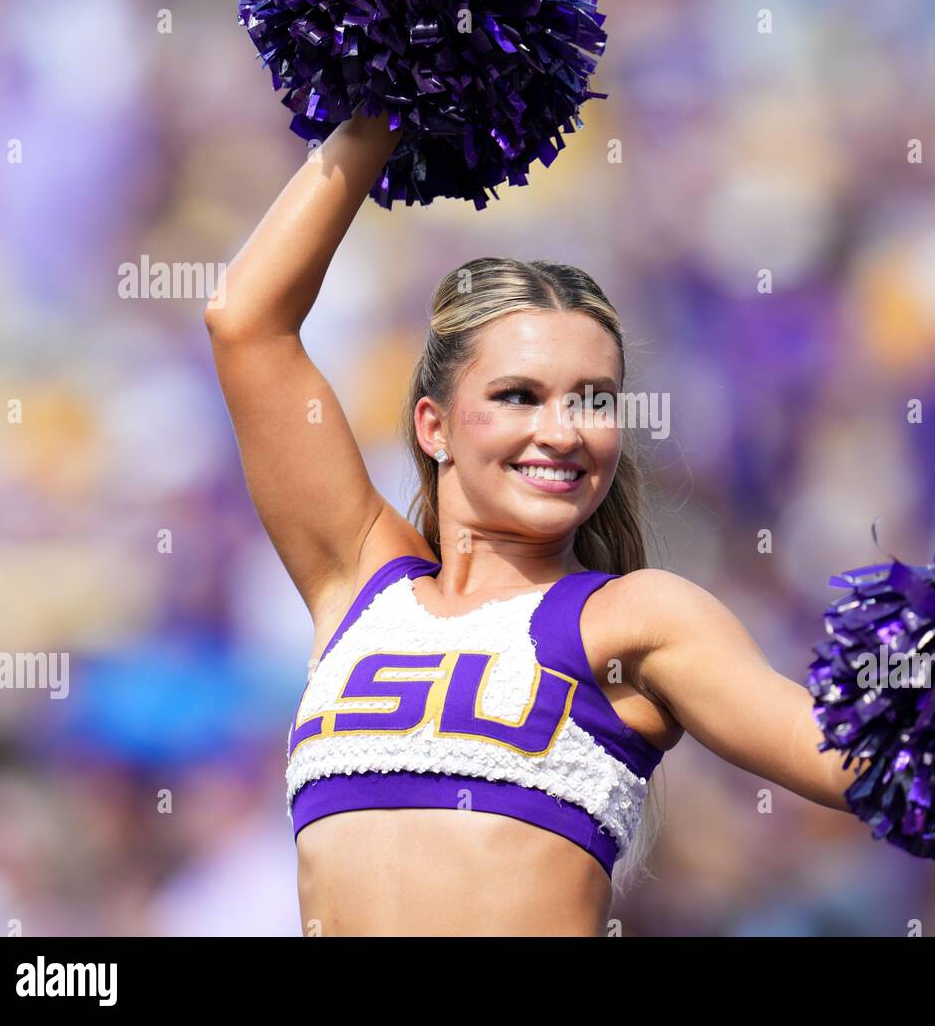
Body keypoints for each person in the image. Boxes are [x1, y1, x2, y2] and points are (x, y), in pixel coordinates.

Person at [203, 113, 858, 936]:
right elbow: (245, 323)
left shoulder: (636, 617)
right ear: (433, 426)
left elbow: (856, 764)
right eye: (519, 396)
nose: (562, 431)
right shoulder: (360, 585)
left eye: (593, 400)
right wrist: (385, 98)